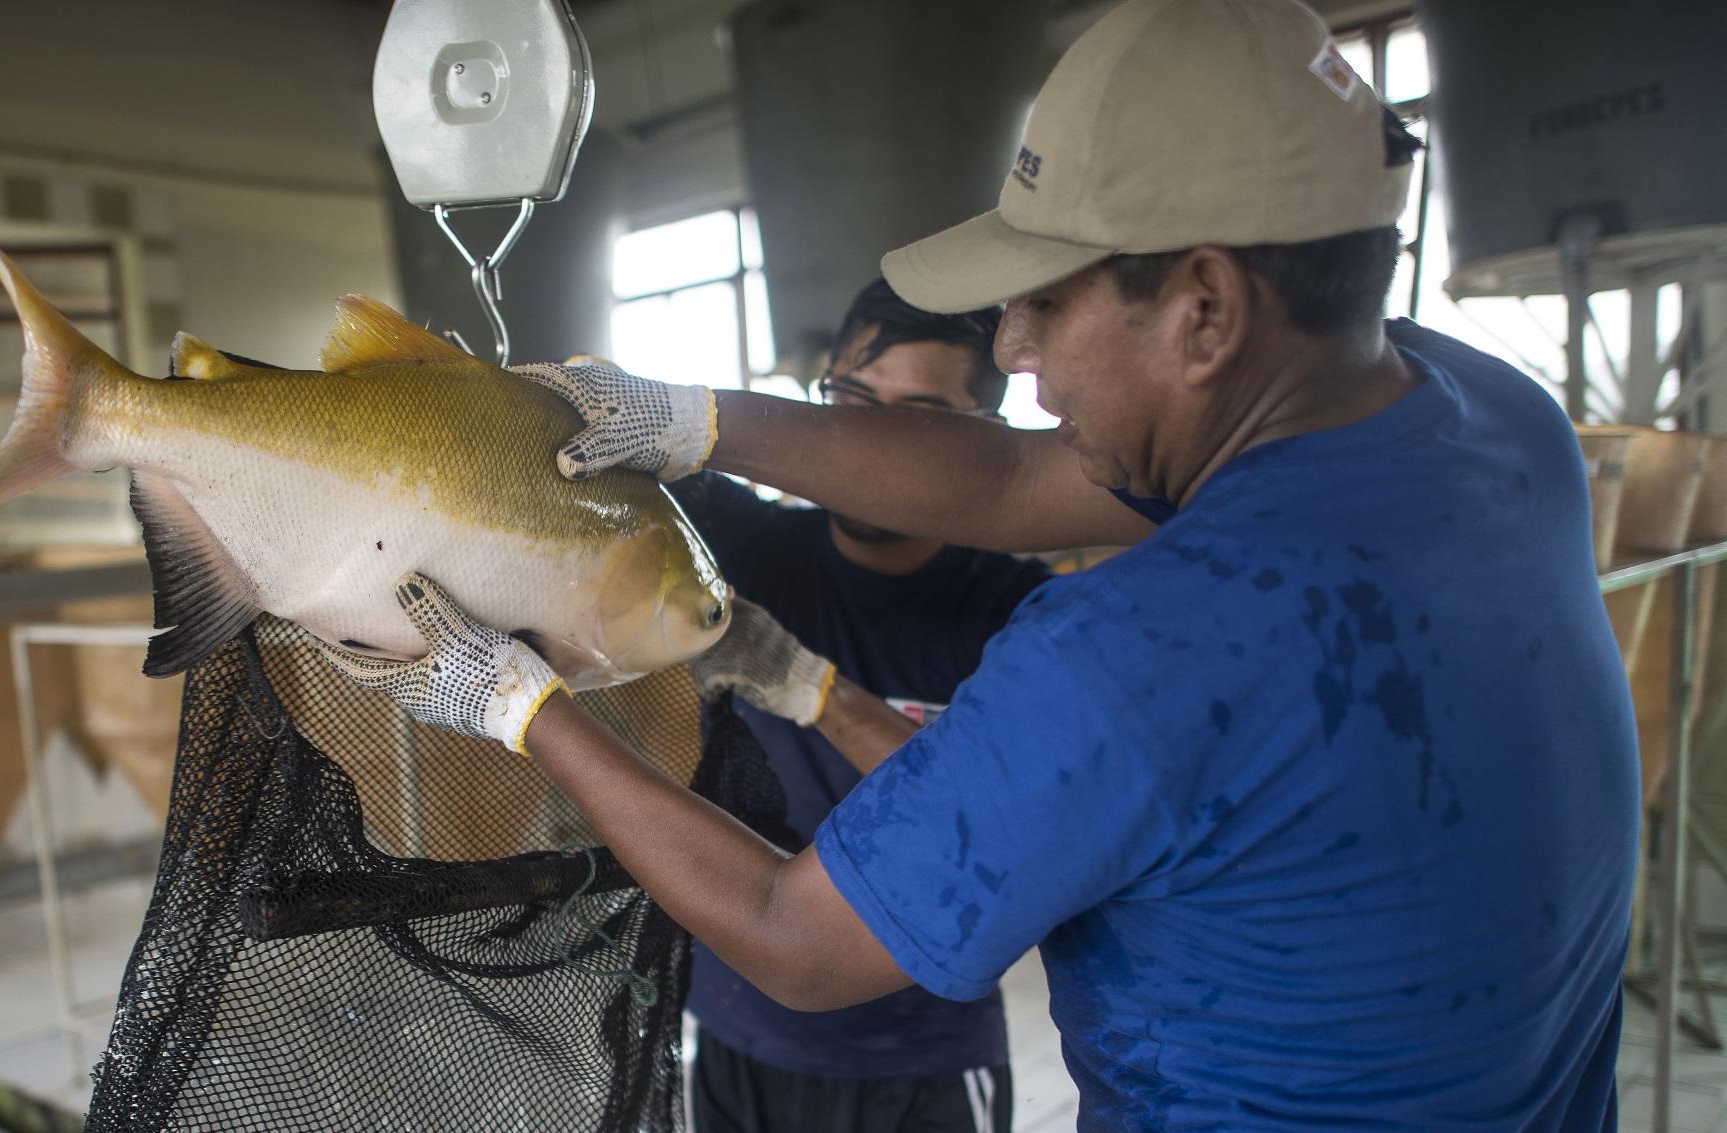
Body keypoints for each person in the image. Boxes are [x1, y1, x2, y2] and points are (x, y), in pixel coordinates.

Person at [320, 0, 1638, 1127]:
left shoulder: (1130, 650)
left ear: (1206, 310)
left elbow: (796, 937)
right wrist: (686, 416)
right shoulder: (1491, 418)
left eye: (1048, 298)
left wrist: (516, 704)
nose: (1013, 345)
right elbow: (1011, 481)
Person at [665, 279, 1051, 1133]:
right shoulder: (747, 544)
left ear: (983, 436)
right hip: (739, 1026)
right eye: (851, 403)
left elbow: (986, 816)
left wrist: (814, 688)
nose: (870, 445)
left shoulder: (1018, 611)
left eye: (917, 417)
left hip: (918, 1060)